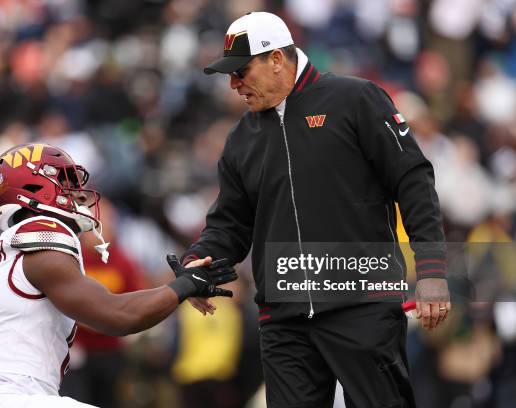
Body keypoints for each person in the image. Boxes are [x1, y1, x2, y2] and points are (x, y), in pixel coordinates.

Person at [180, 11, 451, 408]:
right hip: (283, 317)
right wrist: (197, 264)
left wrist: (431, 271)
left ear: (277, 59)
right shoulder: (241, 137)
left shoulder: (356, 99)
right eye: (229, 75)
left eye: (241, 71)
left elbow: (413, 180)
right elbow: (229, 224)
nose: (234, 84)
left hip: (361, 302)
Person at [0, 143, 237, 408]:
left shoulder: (23, 245)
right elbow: (118, 314)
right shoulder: (42, 235)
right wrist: (185, 285)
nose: (78, 193)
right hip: (14, 395)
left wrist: (180, 287)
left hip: (12, 393)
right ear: (35, 189)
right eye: (65, 181)